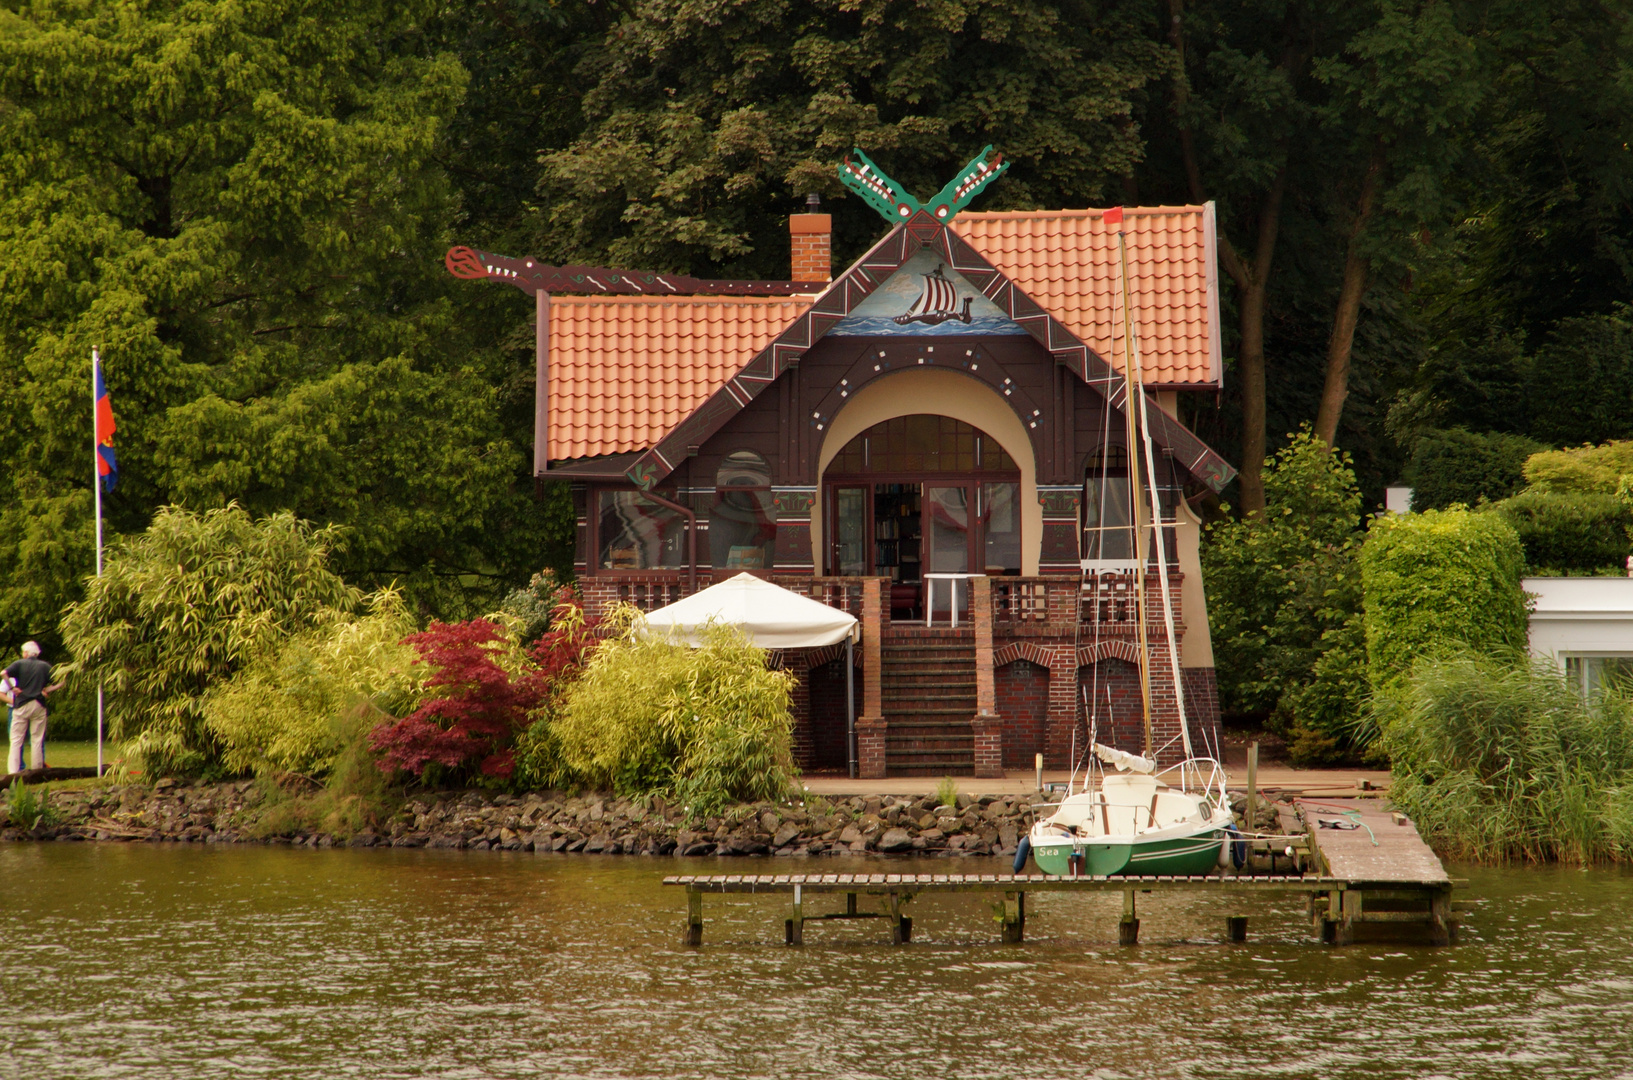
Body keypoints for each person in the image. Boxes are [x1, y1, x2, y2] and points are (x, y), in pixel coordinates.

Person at [5, 642, 62, 775]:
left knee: (16, 740)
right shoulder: (45, 666)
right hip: (39, 704)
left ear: (26, 652)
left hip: (22, 704)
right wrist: (50, 689)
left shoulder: (19, 664)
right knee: (37, 739)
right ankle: (37, 771)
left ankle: (13, 771)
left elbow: (3, 673)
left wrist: (12, 688)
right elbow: (62, 679)